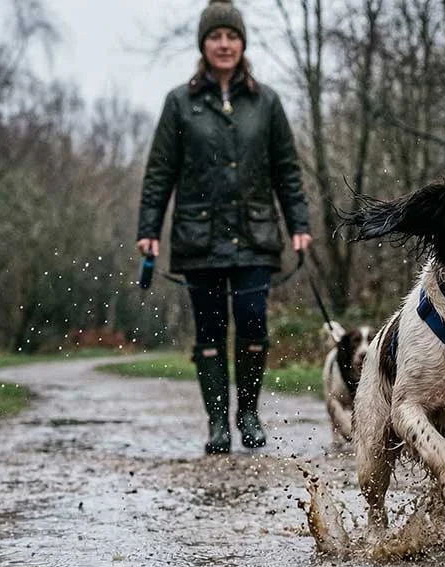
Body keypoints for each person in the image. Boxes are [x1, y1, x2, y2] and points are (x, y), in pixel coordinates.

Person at [136, 0, 312, 454]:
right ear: (203, 44)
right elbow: (160, 172)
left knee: (253, 324)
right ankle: (217, 422)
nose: (224, 44)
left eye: (231, 36)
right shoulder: (180, 103)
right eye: (215, 36)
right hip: (198, 238)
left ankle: (248, 414)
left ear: (242, 43)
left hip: (255, 236)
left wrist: (299, 224)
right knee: (209, 331)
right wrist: (149, 228)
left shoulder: (266, 101)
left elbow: (287, 171)